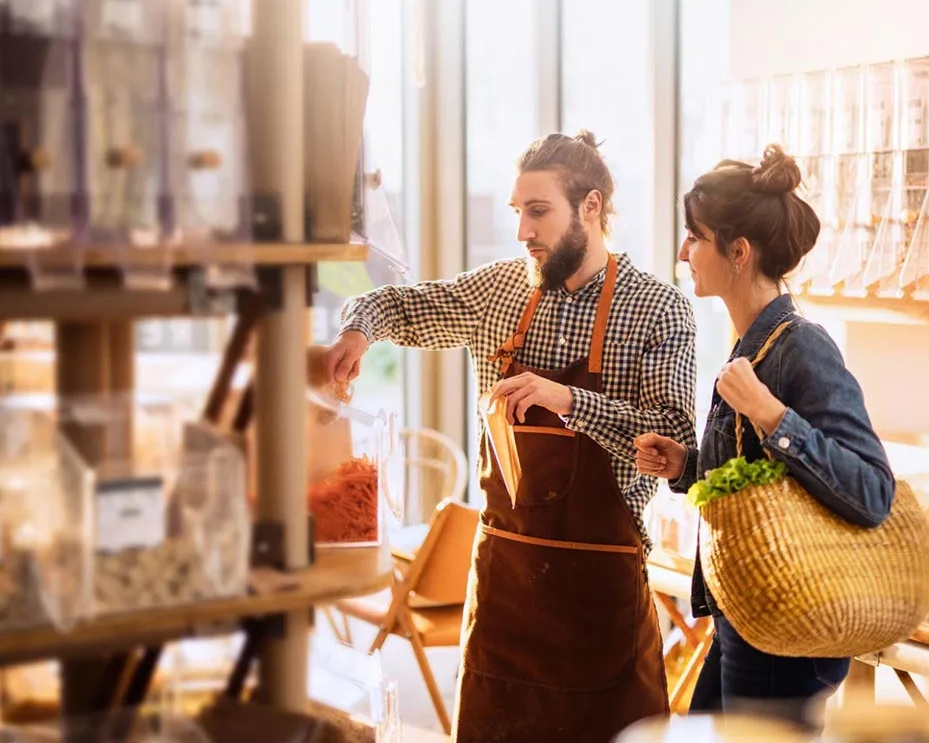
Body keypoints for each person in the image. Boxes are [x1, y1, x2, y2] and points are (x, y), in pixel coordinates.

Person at [325, 130, 697, 742]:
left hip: (599, 602)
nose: (524, 230)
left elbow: (672, 441)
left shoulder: (659, 309)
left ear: (592, 207)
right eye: (519, 212)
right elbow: (401, 306)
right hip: (506, 590)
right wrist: (359, 331)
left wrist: (568, 400)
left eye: (539, 211)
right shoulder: (498, 290)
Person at [633, 144, 895, 732]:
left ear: (739, 252)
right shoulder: (750, 342)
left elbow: (872, 491)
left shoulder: (802, 346)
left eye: (694, 237)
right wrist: (686, 465)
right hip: (747, 618)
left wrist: (773, 415)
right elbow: (762, 485)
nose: (684, 253)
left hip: (786, 638)